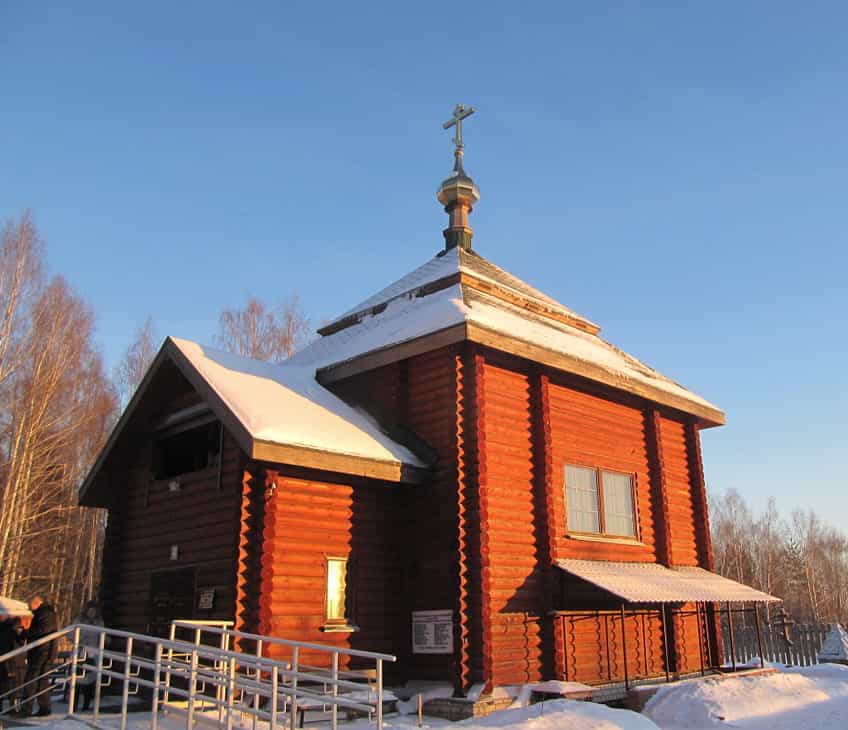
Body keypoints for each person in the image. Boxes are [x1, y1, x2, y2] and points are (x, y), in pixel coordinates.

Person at [19, 595, 58, 718]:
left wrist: (27, 630)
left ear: (38, 603)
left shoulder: (46, 614)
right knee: (41, 681)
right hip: (40, 651)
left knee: (32, 679)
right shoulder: (41, 614)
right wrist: (25, 631)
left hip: (42, 652)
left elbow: (44, 630)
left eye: (32, 603)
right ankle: (44, 708)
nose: (30, 606)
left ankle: (27, 708)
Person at [71, 600, 104, 711]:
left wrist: (104, 641)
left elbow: (102, 635)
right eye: (90, 610)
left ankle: (86, 705)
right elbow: (70, 634)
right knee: (77, 679)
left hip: (93, 653)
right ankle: (73, 705)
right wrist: (79, 639)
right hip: (80, 651)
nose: (91, 612)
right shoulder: (79, 620)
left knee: (90, 680)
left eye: (93, 610)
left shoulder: (99, 622)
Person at [0, 616, 26, 713]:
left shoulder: (3, 629)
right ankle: (13, 708)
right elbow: (20, 642)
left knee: (3, 685)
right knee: (14, 685)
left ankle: (3, 707)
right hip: (14, 662)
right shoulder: (14, 631)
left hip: (5, 661)